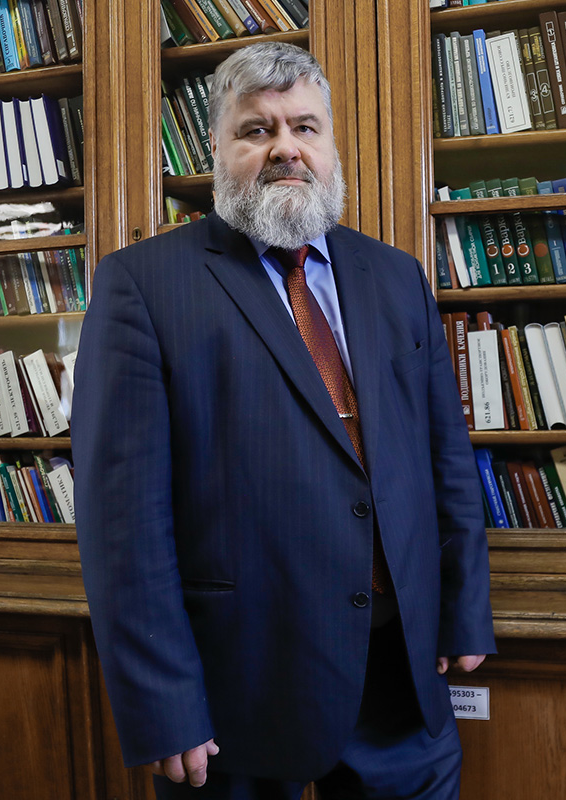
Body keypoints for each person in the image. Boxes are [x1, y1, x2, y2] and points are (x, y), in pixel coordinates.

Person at [72, 42, 496, 800]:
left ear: (331, 145)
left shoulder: (395, 275)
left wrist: (464, 610)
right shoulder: (143, 284)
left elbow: (446, 459)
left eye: (304, 127)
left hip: (402, 675)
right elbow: (123, 524)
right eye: (256, 130)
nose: (285, 148)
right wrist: (163, 703)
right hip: (239, 690)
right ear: (216, 149)